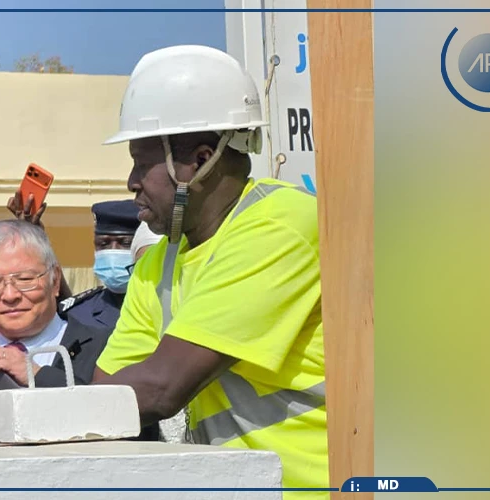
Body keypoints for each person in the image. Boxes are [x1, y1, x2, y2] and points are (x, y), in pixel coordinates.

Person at [94, 46, 327, 497]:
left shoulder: (280, 226)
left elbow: (159, 390)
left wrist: (21, 414)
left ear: (200, 161)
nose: (131, 182)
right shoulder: (159, 262)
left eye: (143, 162)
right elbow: (109, 396)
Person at [0, 220, 153, 444]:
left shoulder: (107, 346)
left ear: (54, 280)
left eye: (25, 279)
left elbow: (131, 423)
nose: (9, 295)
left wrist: (35, 374)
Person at [59, 199, 155, 333]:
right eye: (103, 244)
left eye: (126, 243)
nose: (113, 251)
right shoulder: (78, 313)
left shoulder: (168, 302)